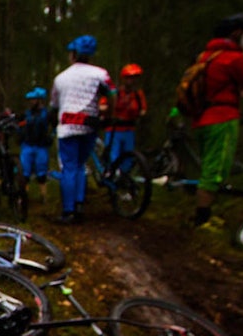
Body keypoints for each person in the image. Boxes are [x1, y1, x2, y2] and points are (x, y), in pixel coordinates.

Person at [188, 13, 243, 228]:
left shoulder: (204, 56)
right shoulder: (233, 58)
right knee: (215, 169)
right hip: (222, 118)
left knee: (208, 166)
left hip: (201, 118)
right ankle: (202, 220)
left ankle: (204, 213)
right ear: (237, 33)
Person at [50, 35, 113, 224]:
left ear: (74, 54)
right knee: (81, 165)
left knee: (68, 167)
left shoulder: (61, 77)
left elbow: (54, 104)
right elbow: (113, 93)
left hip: (67, 126)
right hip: (89, 124)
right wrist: (109, 115)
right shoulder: (101, 74)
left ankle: (68, 210)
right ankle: (79, 205)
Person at [106, 64, 148, 169]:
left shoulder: (138, 94)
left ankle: (124, 177)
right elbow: (106, 105)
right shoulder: (116, 93)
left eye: (134, 78)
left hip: (129, 129)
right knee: (114, 155)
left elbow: (143, 109)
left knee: (128, 157)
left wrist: (139, 113)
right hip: (114, 129)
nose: (132, 81)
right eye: (129, 78)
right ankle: (112, 174)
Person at [18, 86, 51, 205]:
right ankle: (23, 197)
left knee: (41, 172)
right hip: (27, 145)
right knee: (24, 172)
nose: (31, 102)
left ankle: (44, 196)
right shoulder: (26, 114)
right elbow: (20, 127)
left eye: (34, 99)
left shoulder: (46, 114)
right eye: (30, 100)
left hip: (41, 146)